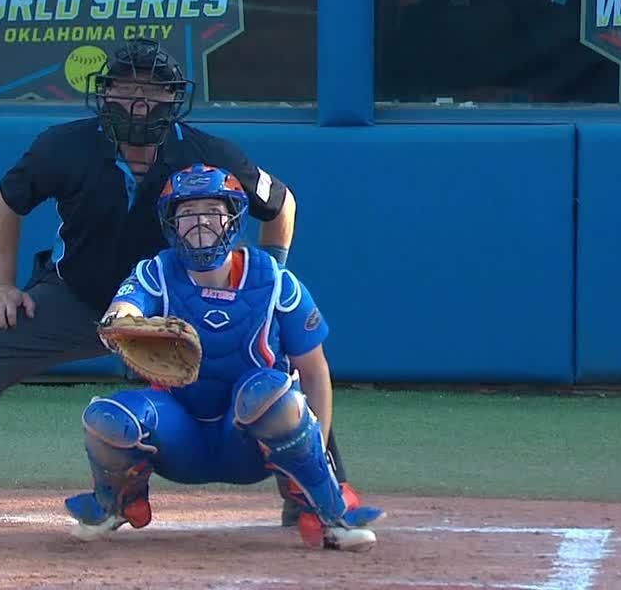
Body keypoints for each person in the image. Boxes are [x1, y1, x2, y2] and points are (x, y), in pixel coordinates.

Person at [0, 38, 360, 528]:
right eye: (126, 89)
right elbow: (6, 201)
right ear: (105, 94)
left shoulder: (207, 153)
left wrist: (267, 282)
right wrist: (1, 287)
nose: (139, 103)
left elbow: (281, 204)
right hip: (80, 298)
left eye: (153, 92)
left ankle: (317, 489)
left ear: (173, 99)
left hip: (180, 307)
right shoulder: (65, 145)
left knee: (280, 362)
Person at [64, 163, 384, 551]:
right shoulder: (156, 272)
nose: (200, 223)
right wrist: (122, 321)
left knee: (269, 392)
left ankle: (325, 505)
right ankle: (114, 501)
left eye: (212, 212)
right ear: (171, 223)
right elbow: (125, 308)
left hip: (247, 443)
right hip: (177, 437)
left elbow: (314, 371)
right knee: (106, 419)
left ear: (233, 218)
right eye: (187, 213)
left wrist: (315, 449)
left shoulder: (275, 281)